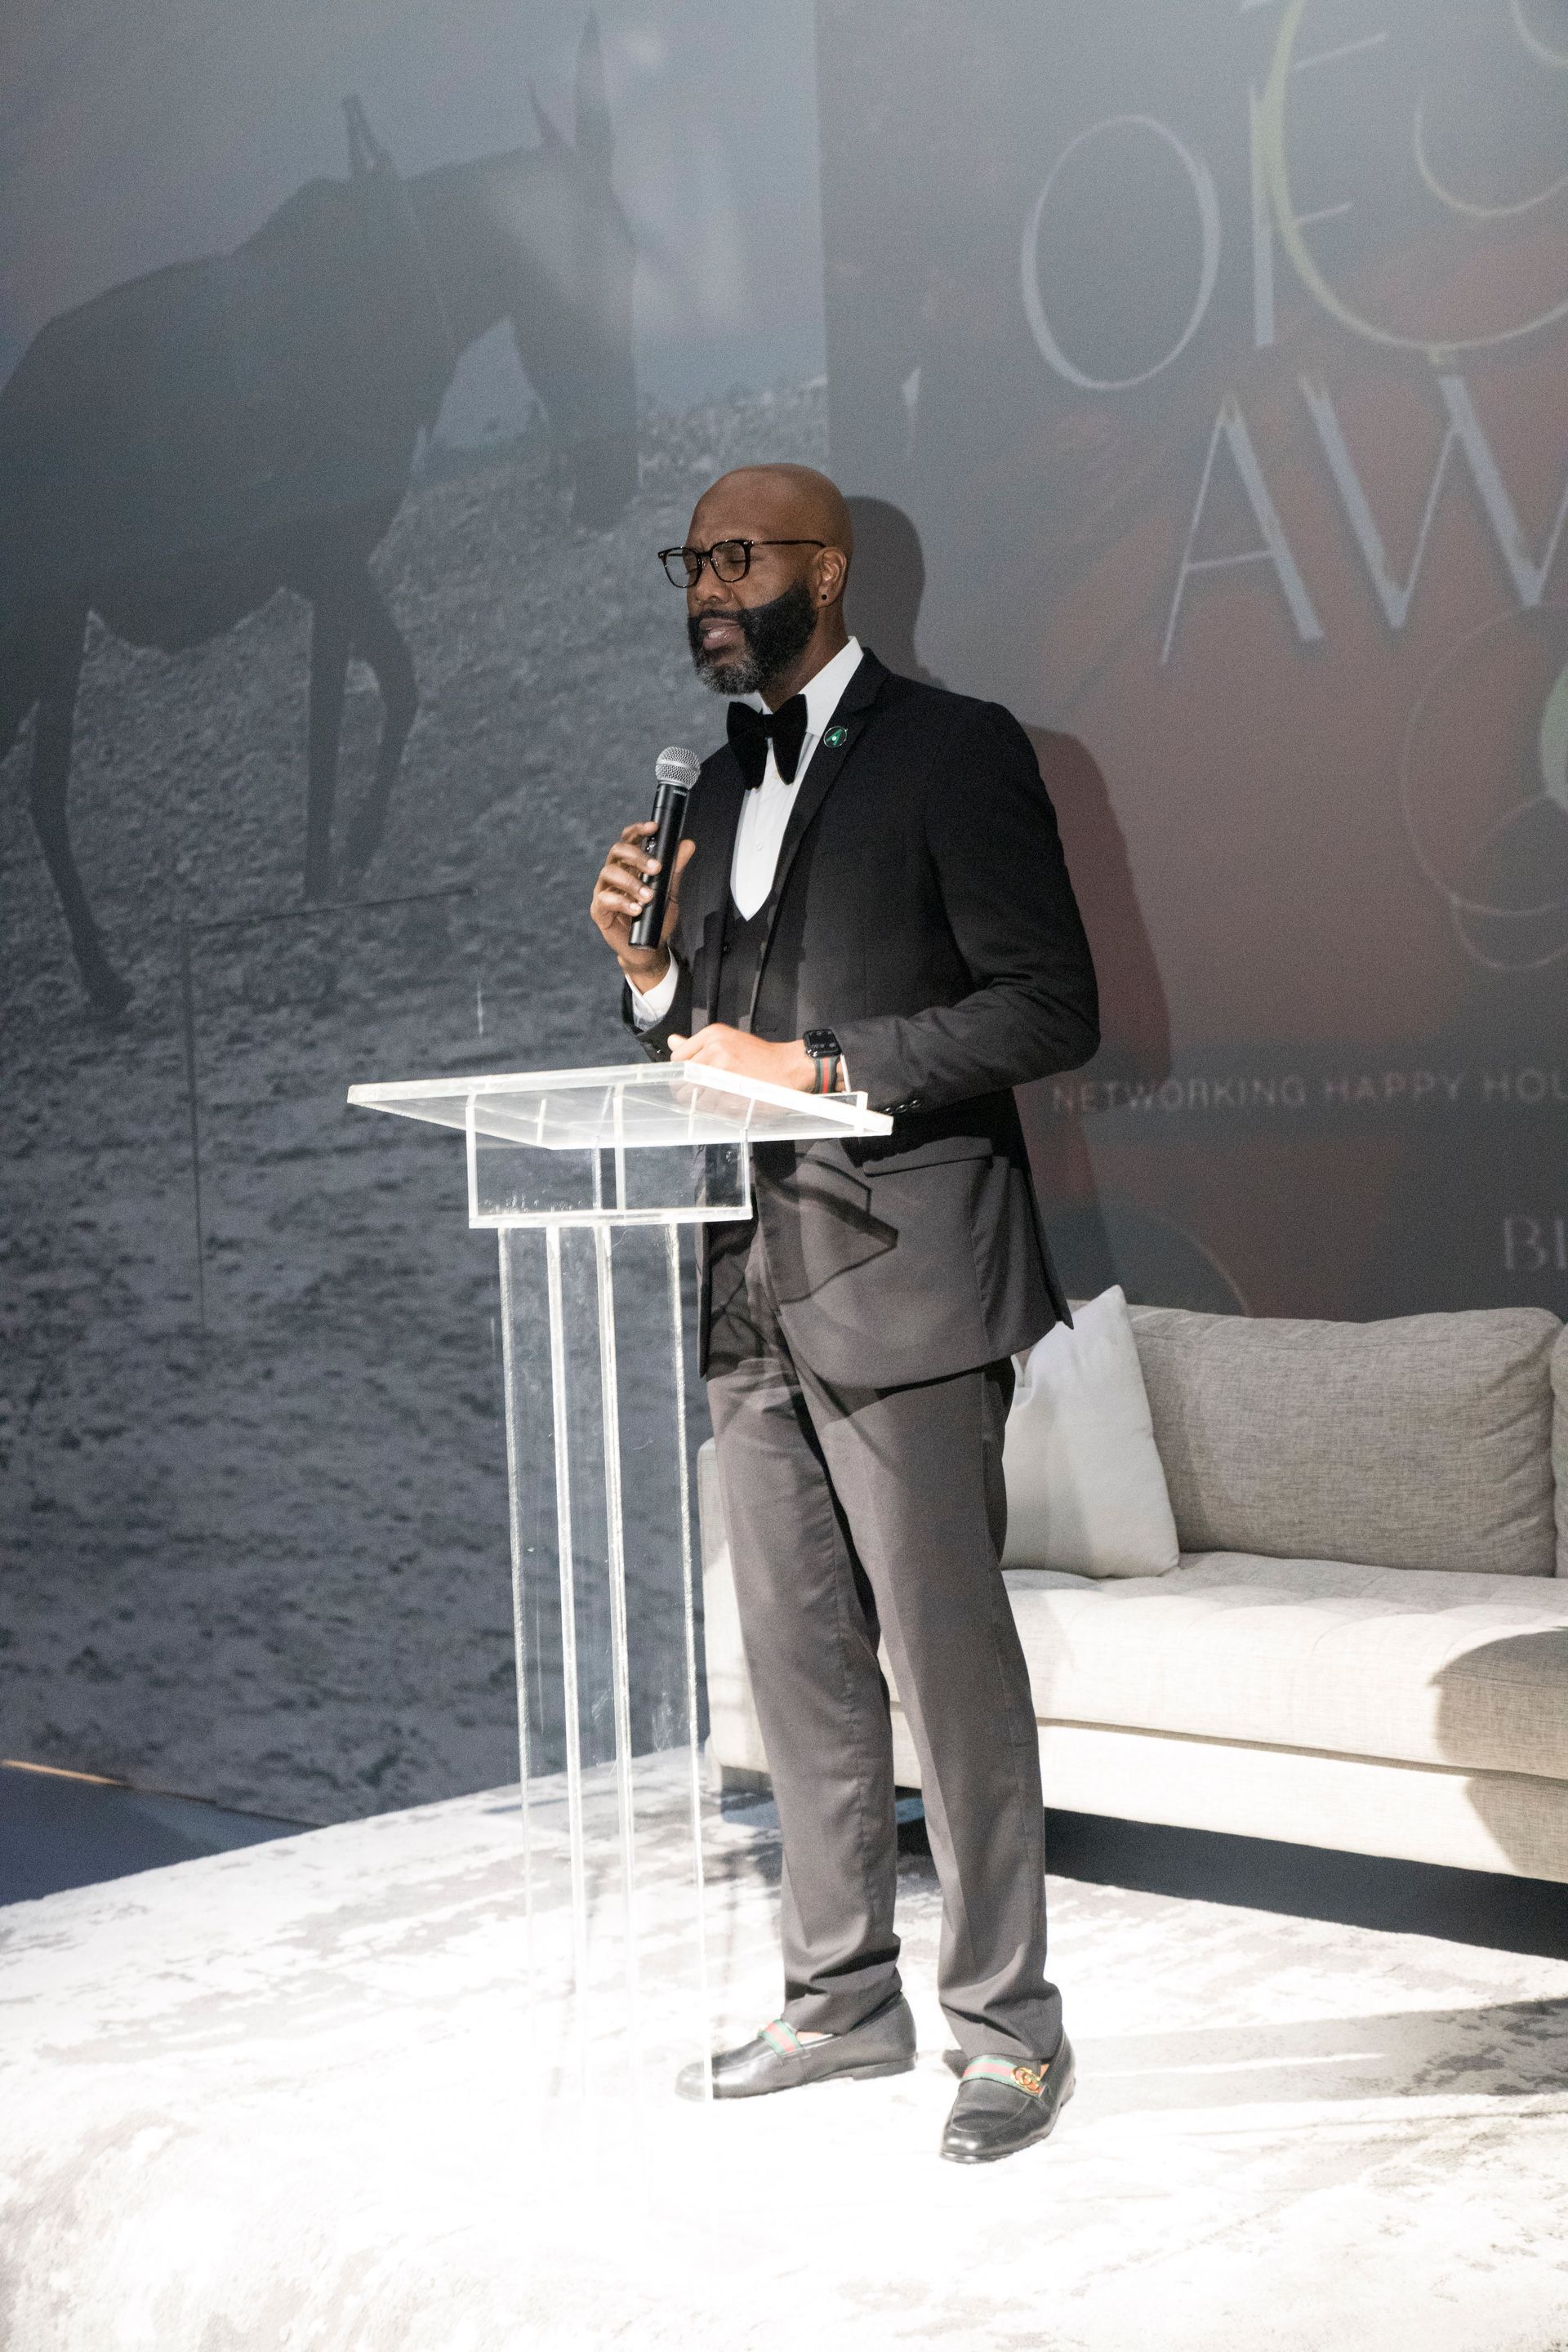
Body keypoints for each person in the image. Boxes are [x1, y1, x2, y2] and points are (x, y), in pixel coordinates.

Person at [589, 464, 1098, 2164]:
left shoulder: (960, 752)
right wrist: (656, 983)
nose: (706, 587)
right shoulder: (714, 781)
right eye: (691, 562)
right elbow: (709, 1053)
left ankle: (1009, 2035)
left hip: (911, 1278)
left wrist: (825, 1070)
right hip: (747, 1287)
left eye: (738, 557)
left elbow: (1048, 1007)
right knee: (798, 1669)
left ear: (832, 565)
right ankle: (840, 2001)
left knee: (949, 1673)